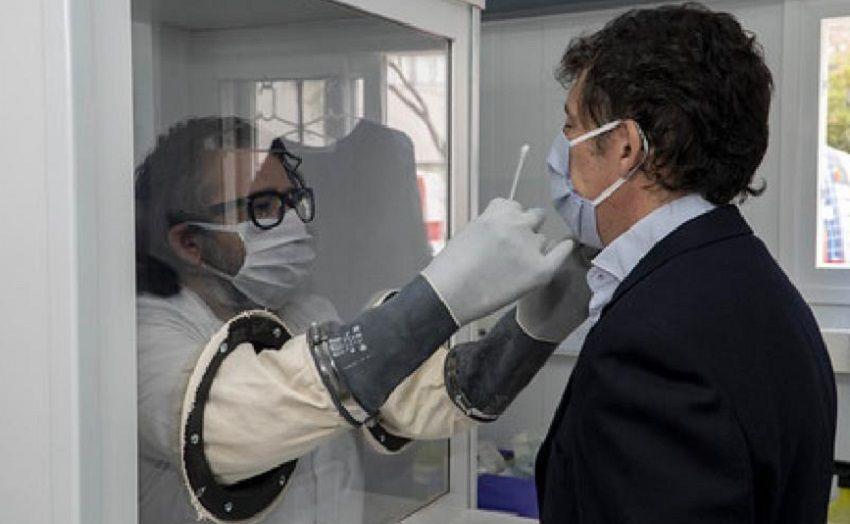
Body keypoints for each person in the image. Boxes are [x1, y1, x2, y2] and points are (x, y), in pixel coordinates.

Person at [135, 117, 591, 523]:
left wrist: (531, 330)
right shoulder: (145, 339)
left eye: (292, 201)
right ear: (189, 242)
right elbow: (235, 422)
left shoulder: (306, 312)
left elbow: (411, 401)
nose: (293, 223)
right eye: (263, 207)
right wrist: (439, 295)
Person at [527, 4, 837, 522]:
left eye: (572, 126)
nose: (564, 150)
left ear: (626, 147)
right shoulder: (757, 283)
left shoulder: (650, 345)